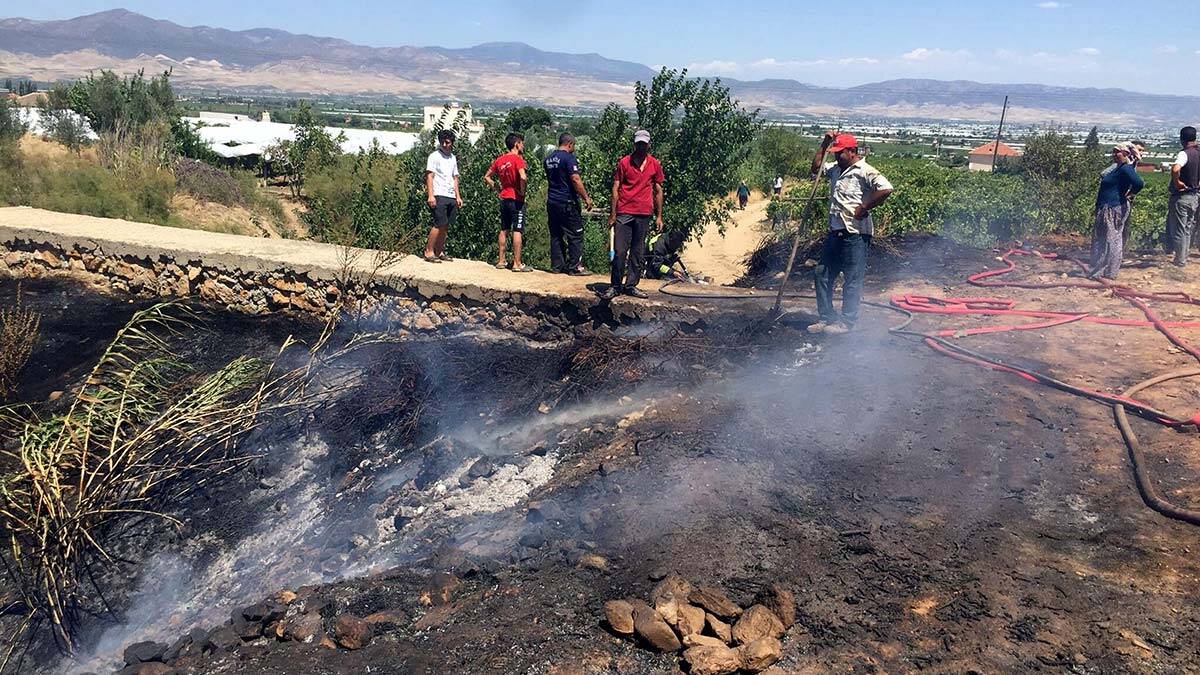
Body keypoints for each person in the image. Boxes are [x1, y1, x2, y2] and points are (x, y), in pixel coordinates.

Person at [807, 131, 893, 334]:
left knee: (852, 278)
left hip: (856, 234)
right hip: (835, 231)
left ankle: (847, 321)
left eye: (840, 153)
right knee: (822, 273)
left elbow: (886, 188)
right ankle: (827, 317)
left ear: (852, 151)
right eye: (835, 153)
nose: (837, 156)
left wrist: (864, 207)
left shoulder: (864, 171)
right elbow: (816, 168)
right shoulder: (835, 169)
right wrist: (825, 143)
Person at [602, 129, 665, 300]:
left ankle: (631, 285)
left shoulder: (654, 164)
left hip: (644, 213)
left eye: (644, 144)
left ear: (648, 144)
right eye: (639, 144)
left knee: (638, 252)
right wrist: (613, 214)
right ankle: (615, 285)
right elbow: (615, 188)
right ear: (634, 144)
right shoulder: (624, 163)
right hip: (624, 211)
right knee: (620, 250)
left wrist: (659, 216)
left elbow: (658, 190)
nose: (641, 147)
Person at [1089, 143, 1144, 280]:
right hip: (1107, 206)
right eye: (1113, 152)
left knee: (1112, 240)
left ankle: (1109, 272)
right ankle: (1103, 271)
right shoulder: (1117, 168)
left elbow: (1139, 183)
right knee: (1107, 239)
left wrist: (1131, 193)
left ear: (1125, 153)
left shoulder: (1125, 168)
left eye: (1117, 152)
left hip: (1114, 207)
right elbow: (1103, 175)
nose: (1114, 154)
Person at [544, 133, 595, 274]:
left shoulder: (548, 159)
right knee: (576, 234)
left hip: (552, 202)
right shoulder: (568, 158)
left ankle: (557, 266)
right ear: (570, 144)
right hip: (567, 202)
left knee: (556, 234)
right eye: (574, 145)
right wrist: (586, 198)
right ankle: (575, 267)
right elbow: (575, 179)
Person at [484, 132, 531, 272]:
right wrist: (522, 191)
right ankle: (517, 263)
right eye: (522, 143)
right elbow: (523, 177)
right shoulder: (517, 159)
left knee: (504, 228)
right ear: (517, 144)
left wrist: (497, 188)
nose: (523, 146)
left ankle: (501, 261)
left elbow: (487, 177)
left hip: (504, 198)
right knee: (517, 229)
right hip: (516, 199)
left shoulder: (500, 160)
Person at [423, 129, 462, 263]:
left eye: (448, 142)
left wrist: (458, 196)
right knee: (438, 223)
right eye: (443, 142)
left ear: (452, 142)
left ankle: (439, 251)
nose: (445, 145)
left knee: (446, 225)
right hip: (439, 194)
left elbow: (455, 178)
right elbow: (430, 176)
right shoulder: (434, 156)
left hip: (450, 194)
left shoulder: (453, 158)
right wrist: (431, 195)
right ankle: (429, 251)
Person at [1167, 126, 1200, 267]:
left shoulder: (1184, 153)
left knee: (1179, 229)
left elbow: (1175, 169)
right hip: (1195, 196)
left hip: (1183, 196)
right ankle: (1183, 257)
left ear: (1182, 139)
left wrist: (1177, 182)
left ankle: (1180, 260)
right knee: (1187, 229)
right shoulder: (1198, 153)